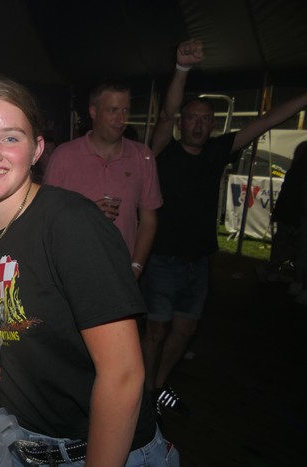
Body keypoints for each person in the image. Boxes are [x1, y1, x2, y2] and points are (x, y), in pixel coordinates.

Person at [0, 77, 177, 466]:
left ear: (37, 149)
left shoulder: (72, 224)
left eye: (10, 138)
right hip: (20, 445)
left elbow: (124, 376)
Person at [143, 39, 307, 416]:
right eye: (192, 117)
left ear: (213, 125)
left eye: (205, 119)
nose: (198, 124)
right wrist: (182, 69)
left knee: (185, 330)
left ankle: (158, 385)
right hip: (162, 260)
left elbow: (267, 120)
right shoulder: (164, 151)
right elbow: (165, 114)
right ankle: (144, 391)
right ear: (182, 123)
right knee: (155, 332)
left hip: (199, 262)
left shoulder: (218, 152)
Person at [43, 79, 162, 279]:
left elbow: (148, 221)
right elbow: (45, 217)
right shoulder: (64, 156)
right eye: (112, 110)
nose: (121, 119)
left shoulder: (142, 156)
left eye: (125, 110)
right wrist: (87, 215)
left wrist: (136, 268)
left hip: (121, 274)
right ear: (93, 111)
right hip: (71, 273)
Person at [256, 141, 307, 291]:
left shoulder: (294, 170)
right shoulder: (301, 172)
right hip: (294, 213)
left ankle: (271, 271)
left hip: (286, 211)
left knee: (283, 244)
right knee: (294, 246)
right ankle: (269, 268)